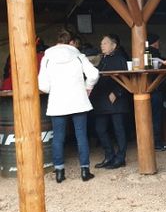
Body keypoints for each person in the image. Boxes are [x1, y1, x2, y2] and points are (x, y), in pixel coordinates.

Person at [38, 28, 99, 183]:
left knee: (58, 137)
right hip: (78, 100)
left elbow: (43, 85)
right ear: (72, 42)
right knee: (81, 136)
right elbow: (94, 74)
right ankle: (85, 171)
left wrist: (54, 89)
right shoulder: (79, 56)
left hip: (57, 102)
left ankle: (59, 172)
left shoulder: (47, 57)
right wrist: (87, 87)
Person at [90, 34, 129, 170]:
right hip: (101, 100)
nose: (102, 46)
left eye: (105, 43)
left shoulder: (120, 59)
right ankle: (109, 156)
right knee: (100, 129)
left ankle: (120, 158)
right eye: (102, 44)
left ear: (114, 45)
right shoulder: (102, 59)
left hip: (115, 100)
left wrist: (117, 93)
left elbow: (126, 79)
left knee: (119, 130)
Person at [147, 32, 166, 151]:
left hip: (147, 91)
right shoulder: (154, 54)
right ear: (155, 42)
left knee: (149, 118)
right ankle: (157, 143)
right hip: (155, 90)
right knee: (156, 118)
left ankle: (149, 143)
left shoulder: (144, 53)